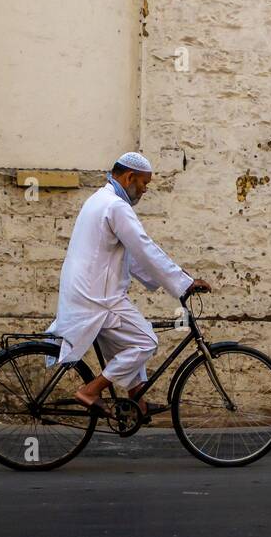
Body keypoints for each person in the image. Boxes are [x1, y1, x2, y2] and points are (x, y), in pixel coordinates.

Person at [45, 151, 211, 419]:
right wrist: (184, 283)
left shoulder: (99, 200)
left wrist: (174, 278)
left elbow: (132, 257)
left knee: (129, 344)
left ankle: (139, 403)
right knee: (145, 341)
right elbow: (145, 249)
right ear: (130, 177)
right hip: (99, 297)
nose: (145, 190)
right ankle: (90, 391)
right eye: (144, 183)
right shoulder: (116, 206)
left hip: (89, 292)